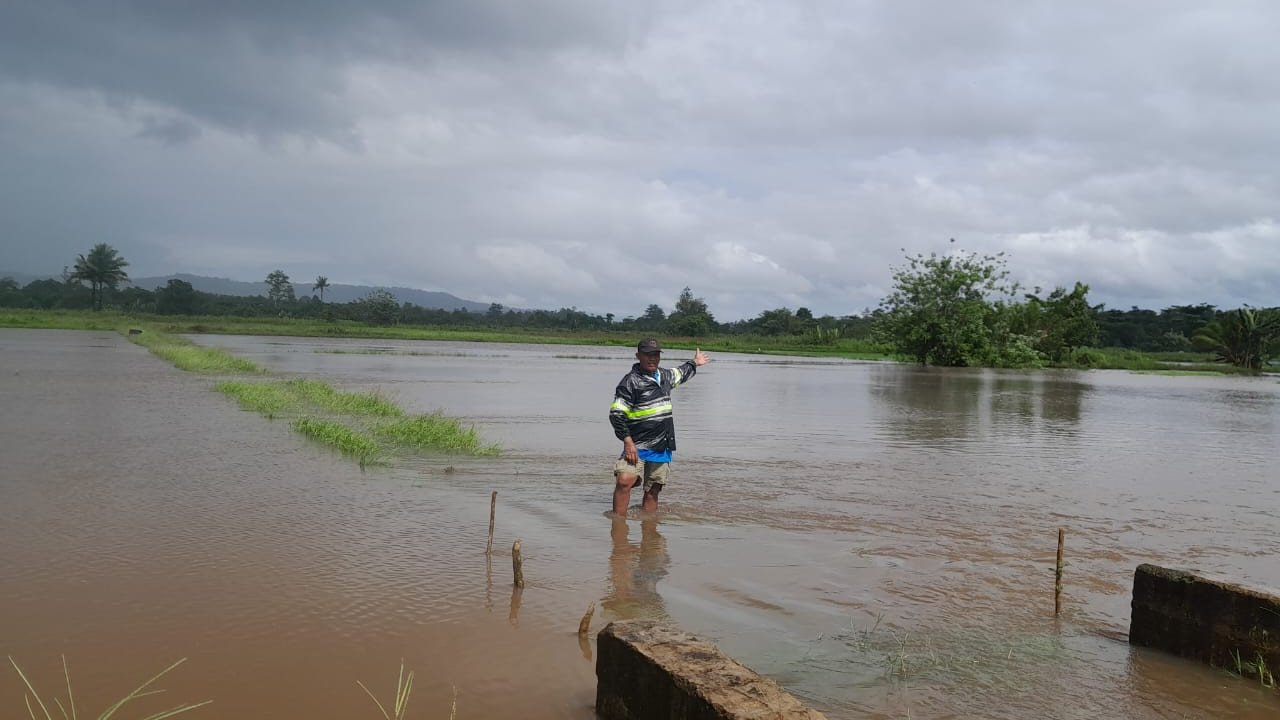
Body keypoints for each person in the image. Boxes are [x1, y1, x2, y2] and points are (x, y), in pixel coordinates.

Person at [608, 338, 709, 515]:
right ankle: (618, 525)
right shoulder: (630, 381)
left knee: (653, 490)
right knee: (624, 480)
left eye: (655, 355)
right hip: (637, 444)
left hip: (662, 443)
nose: (652, 358)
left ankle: (649, 528)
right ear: (638, 356)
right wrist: (628, 441)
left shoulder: (664, 377)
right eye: (648, 355)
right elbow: (616, 415)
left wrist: (695, 363)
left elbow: (681, 372)